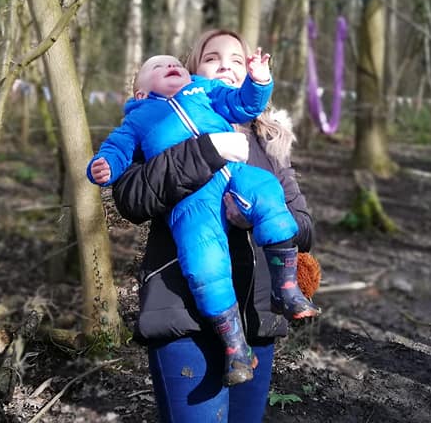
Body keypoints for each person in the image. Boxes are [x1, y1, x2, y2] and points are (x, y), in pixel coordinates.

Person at [110, 30, 316, 422]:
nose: (225, 66)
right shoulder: (156, 126)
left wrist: (252, 220)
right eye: (212, 58)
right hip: (183, 317)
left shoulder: (269, 142)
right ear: (192, 72)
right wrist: (208, 151)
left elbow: (304, 227)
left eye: (237, 60)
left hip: (255, 317)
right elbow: (131, 199)